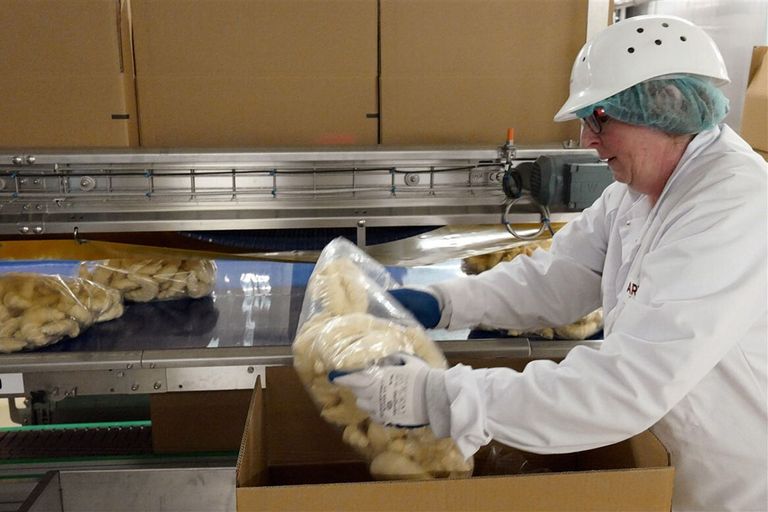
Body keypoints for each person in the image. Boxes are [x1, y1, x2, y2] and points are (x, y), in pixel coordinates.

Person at [333, 14, 768, 512]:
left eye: (599, 117)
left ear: (664, 109)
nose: (587, 139)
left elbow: (627, 385)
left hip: (727, 478)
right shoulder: (638, 192)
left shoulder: (732, 204)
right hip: (668, 453)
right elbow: (557, 278)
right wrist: (441, 302)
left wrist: (439, 397)